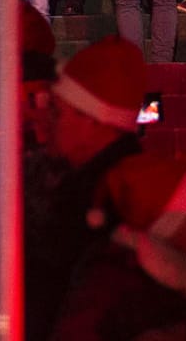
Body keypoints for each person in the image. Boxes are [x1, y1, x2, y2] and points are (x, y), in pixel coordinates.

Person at [26, 36, 145, 339]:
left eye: (58, 112)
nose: (48, 122)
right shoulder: (85, 180)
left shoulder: (117, 192)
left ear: (92, 121)